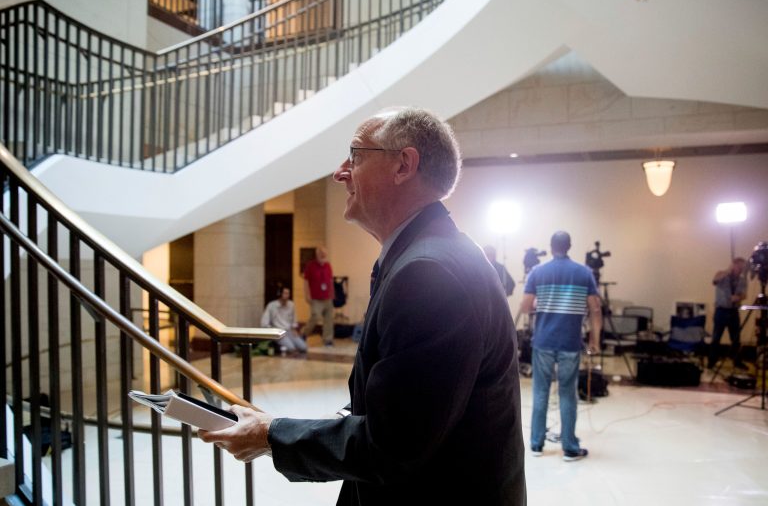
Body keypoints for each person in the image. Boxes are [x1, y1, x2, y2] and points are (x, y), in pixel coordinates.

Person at [199, 107, 526, 505]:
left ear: (403, 165)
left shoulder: (428, 273)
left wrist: (270, 433)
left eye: (355, 155)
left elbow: (392, 446)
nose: (340, 172)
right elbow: (405, 405)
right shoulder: (430, 255)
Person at [520, 231, 601, 462]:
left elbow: (525, 307)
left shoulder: (538, 272)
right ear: (569, 246)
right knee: (567, 394)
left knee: (540, 393)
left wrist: (538, 301)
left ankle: (536, 445)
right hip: (570, 343)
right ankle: (569, 448)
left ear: (551, 246)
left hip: (543, 342)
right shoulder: (584, 272)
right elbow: (595, 309)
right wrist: (594, 340)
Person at [708, 257, 748, 369]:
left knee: (736, 338)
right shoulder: (722, 274)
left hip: (733, 311)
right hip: (721, 311)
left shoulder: (742, 280)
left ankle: (737, 361)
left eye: (742, 268)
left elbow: (744, 294)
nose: (740, 270)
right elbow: (715, 281)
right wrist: (727, 271)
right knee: (716, 338)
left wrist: (738, 297)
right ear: (733, 265)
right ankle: (712, 361)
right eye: (739, 267)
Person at [302, 246, 336, 347]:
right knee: (315, 316)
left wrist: (332, 293)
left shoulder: (328, 265)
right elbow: (306, 281)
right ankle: (304, 333)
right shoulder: (310, 266)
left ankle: (328, 339)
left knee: (328, 319)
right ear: (317, 255)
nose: (323, 256)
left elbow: (330, 280)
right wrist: (307, 295)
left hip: (327, 297)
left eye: (324, 254)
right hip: (316, 298)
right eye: (321, 254)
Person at [261, 287, 308, 354]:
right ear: (280, 294)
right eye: (285, 293)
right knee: (291, 348)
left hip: (289, 331)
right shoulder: (272, 305)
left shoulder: (291, 305)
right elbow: (264, 323)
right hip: (278, 332)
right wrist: (273, 331)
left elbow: (294, 319)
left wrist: (294, 329)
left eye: (288, 293)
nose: (287, 295)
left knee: (304, 347)